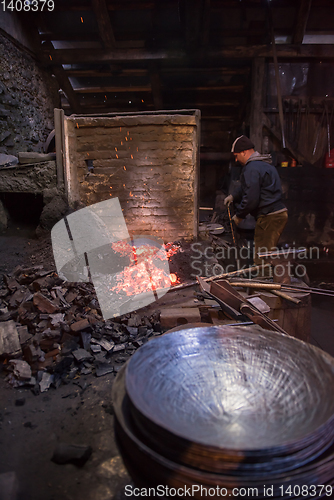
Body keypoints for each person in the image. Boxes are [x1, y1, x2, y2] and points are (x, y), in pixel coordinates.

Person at [224, 135, 288, 266]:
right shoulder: (264, 165)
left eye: (236, 156)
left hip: (269, 217)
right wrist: (234, 196)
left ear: (244, 152)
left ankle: (263, 284)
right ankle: (267, 279)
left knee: (262, 256)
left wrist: (239, 216)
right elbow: (247, 187)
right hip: (277, 214)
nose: (236, 160)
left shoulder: (251, 168)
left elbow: (251, 198)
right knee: (266, 251)